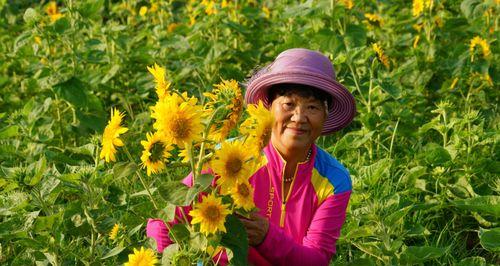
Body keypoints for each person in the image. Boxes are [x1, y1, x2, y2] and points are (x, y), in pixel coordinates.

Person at [147, 48, 356, 266]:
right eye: (289, 104)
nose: (299, 117)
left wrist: (267, 237)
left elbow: (316, 260)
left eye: (312, 107)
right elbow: (162, 222)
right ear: (269, 107)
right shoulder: (230, 157)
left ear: (325, 115)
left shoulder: (334, 181)